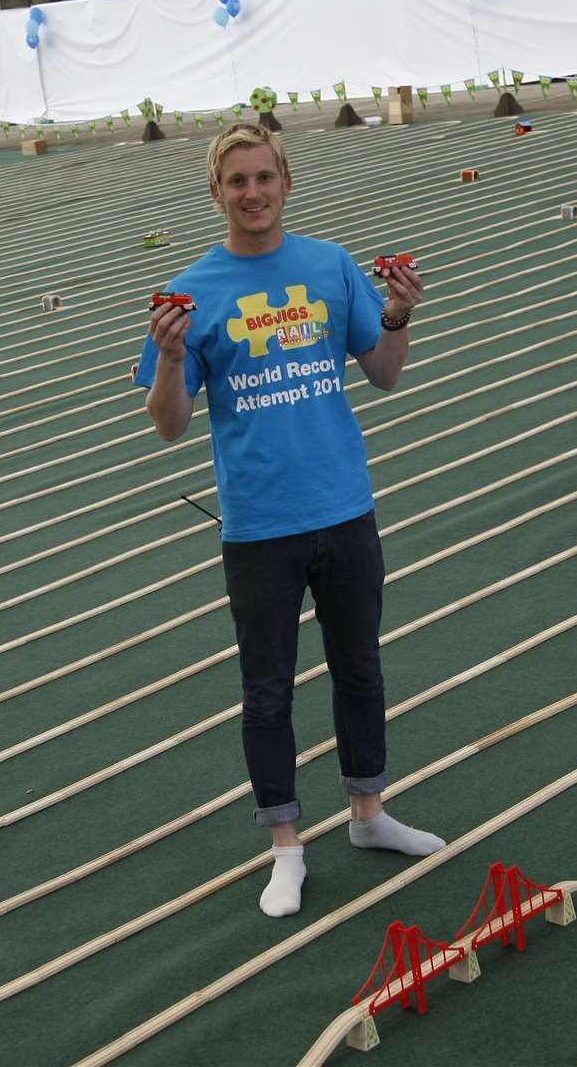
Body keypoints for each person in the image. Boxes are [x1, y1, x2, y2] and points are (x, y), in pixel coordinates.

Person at [133, 122, 444, 918]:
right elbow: (168, 424)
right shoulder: (191, 292)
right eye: (237, 181)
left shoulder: (329, 265)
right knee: (267, 692)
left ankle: (369, 813)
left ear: (287, 183)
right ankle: (286, 845)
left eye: (265, 177)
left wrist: (400, 318)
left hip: (344, 507)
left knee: (361, 669)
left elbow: (384, 376)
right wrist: (170, 358)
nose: (253, 192)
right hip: (258, 524)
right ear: (217, 193)